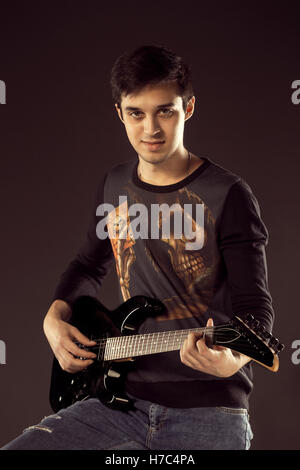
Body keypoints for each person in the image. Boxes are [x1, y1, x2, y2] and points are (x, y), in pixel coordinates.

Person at [2, 44, 275, 450]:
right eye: (136, 113)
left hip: (209, 410)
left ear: (189, 108)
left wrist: (232, 360)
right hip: (119, 403)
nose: (151, 129)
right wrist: (54, 318)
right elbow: (87, 266)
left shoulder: (228, 194)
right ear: (119, 113)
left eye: (165, 110)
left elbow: (255, 308)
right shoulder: (114, 185)